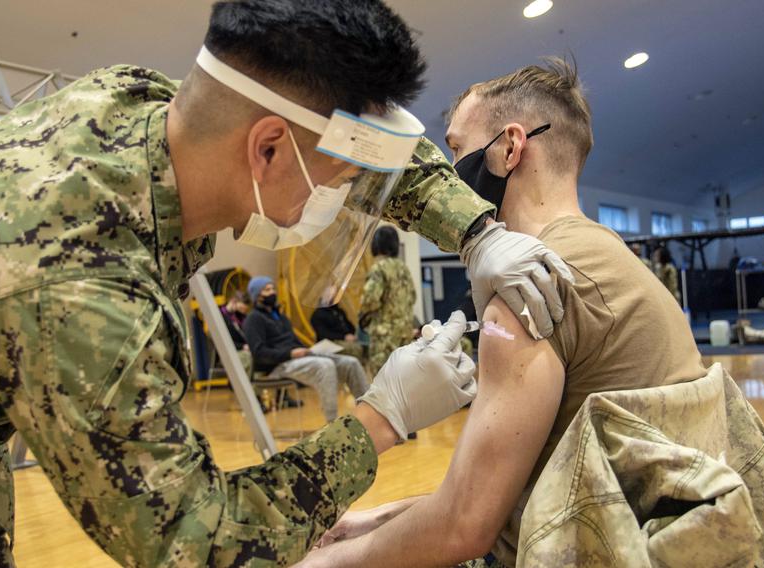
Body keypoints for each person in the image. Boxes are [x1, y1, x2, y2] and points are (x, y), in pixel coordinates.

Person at [0, 1, 572, 565]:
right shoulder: (77, 287)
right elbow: (196, 541)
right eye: (339, 178)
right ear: (268, 151)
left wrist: (476, 231)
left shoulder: (140, 107)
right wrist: (381, 418)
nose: (341, 193)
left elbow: (360, 144)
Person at [300, 58, 712, 568]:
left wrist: (323, 563)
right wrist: (372, 520)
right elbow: (514, 499)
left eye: (455, 148)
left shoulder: (527, 292)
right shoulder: (606, 251)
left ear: (511, 147)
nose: (451, 173)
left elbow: (466, 527)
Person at [243, 276, 369, 422]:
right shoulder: (253, 319)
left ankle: (368, 412)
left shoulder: (282, 318)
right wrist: (290, 354)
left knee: (351, 363)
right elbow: (259, 353)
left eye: (273, 288)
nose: (272, 292)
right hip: (277, 365)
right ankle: (332, 423)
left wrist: (309, 350)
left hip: (297, 358)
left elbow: (294, 343)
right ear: (257, 295)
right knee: (325, 365)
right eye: (267, 290)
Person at [359, 226, 416, 376]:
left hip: (384, 338)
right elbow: (413, 297)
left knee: (383, 382)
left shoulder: (379, 268)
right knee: (404, 380)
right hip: (405, 334)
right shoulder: (404, 268)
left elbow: (369, 300)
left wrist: (364, 316)